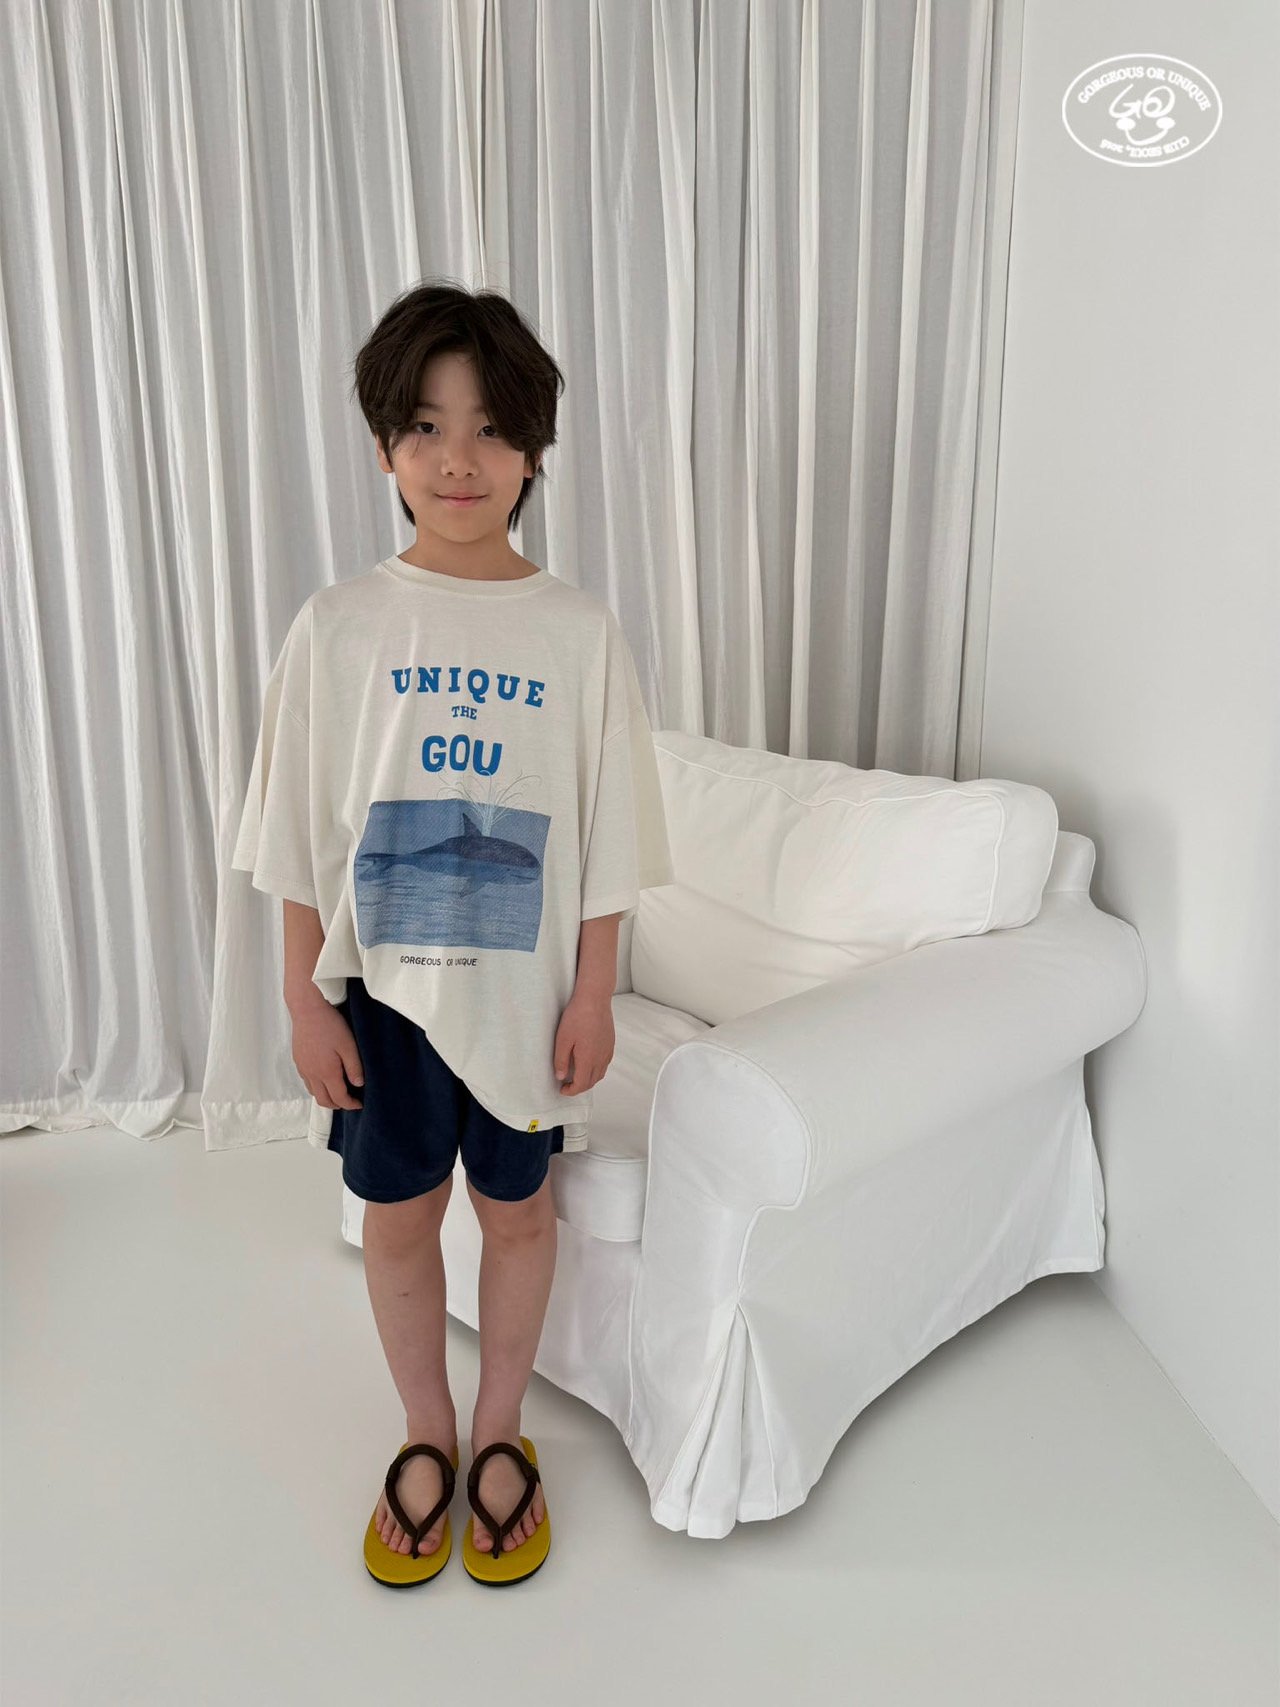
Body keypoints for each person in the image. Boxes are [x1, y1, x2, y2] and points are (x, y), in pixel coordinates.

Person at [231, 280, 675, 1584]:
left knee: (518, 1215)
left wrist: (594, 992)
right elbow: (295, 831)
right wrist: (304, 999)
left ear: (533, 449)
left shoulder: (578, 632)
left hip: (528, 1000)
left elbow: (607, 835)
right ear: (385, 447)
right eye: (426, 427)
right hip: (382, 998)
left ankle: (500, 1430)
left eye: (489, 428)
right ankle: (426, 1428)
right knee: (397, 1220)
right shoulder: (339, 625)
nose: (458, 458)